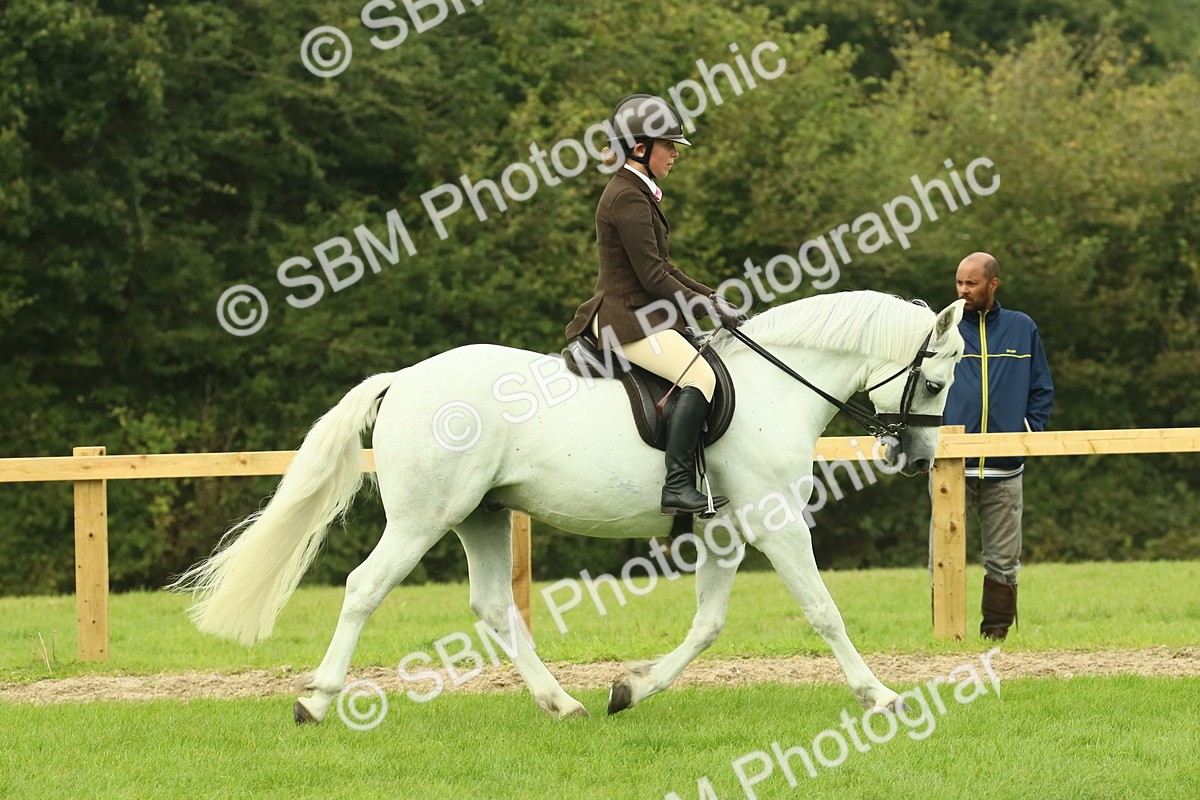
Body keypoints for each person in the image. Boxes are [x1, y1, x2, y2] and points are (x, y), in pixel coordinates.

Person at [564, 94, 743, 516]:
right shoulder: (627, 197)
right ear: (641, 148)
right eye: (670, 145)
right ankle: (678, 486)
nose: (676, 154)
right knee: (700, 377)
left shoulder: (636, 191)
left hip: (640, 315)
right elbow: (653, 278)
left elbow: (663, 266)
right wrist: (707, 307)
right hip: (626, 321)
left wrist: (713, 297)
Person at [933, 252, 1054, 640]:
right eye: (959, 283)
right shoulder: (943, 327)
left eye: (971, 283)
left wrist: (1025, 432)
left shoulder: (1022, 327)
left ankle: (995, 639)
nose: (963, 291)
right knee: (942, 557)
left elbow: (1041, 389)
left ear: (993, 284)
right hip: (952, 464)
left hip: (1006, 466)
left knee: (1004, 559)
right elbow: (921, 388)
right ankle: (946, 636)